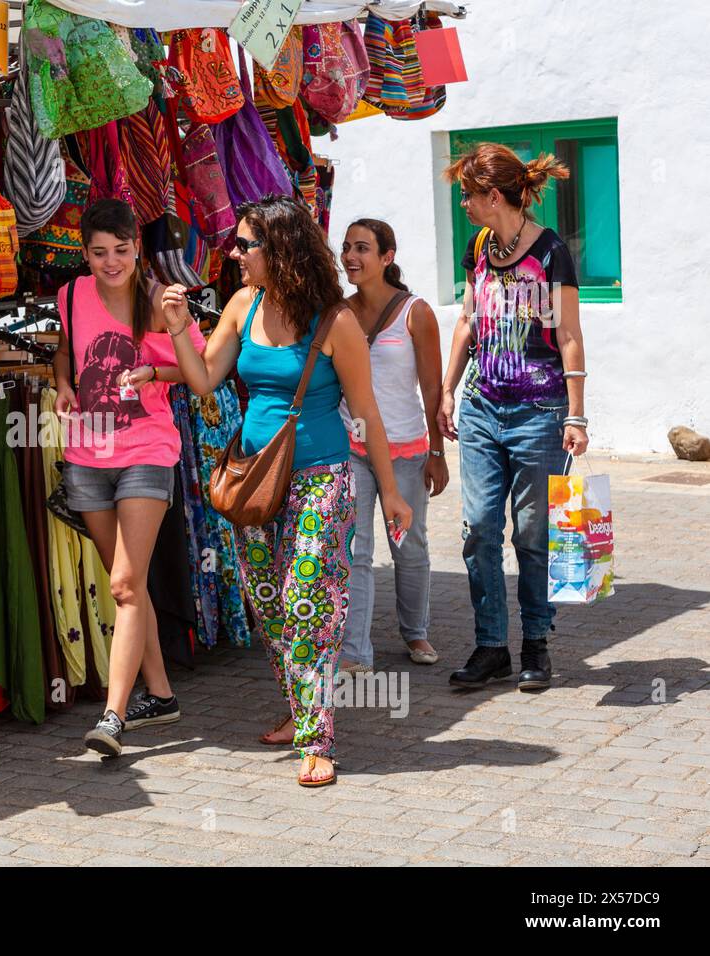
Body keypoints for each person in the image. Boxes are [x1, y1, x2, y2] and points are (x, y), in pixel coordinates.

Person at [168, 195, 412, 787]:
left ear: (278, 249)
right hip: (254, 478)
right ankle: (303, 709)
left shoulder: (335, 321)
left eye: (245, 244)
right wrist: (179, 331)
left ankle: (317, 739)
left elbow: (369, 415)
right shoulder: (240, 305)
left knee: (308, 602)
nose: (234, 253)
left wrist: (394, 494)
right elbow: (204, 379)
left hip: (322, 477)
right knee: (272, 607)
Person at [52, 199, 206, 758]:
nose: (110, 261)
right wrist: (65, 383)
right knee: (131, 585)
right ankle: (161, 696)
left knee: (122, 584)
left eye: (120, 250)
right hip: (87, 455)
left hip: (146, 449)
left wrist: (153, 370)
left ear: (137, 248)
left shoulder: (160, 299)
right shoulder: (70, 294)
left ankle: (113, 717)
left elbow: (199, 374)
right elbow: (64, 351)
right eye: (99, 252)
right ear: (85, 252)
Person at [439, 144, 587, 691]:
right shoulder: (478, 246)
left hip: (539, 413)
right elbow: (465, 322)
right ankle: (490, 647)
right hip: (481, 407)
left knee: (531, 533)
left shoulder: (551, 254)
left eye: (468, 195)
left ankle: (536, 643)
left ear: (493, 196)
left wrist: (577, 417)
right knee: (479, 528)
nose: (464, 206)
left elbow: (569, 336)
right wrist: (447, 390)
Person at [338, 219, 448, 672]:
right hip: (352, 446)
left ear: (387, 257)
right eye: (346, 247)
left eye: (362, 248)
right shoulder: (337, 312)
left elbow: (431, 388)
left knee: (409, 545)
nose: (351, 257)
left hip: (405, 448)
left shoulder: (415, 313)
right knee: (355, 550)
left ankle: (415, 632)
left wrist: (437, 452)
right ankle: (355, 652)